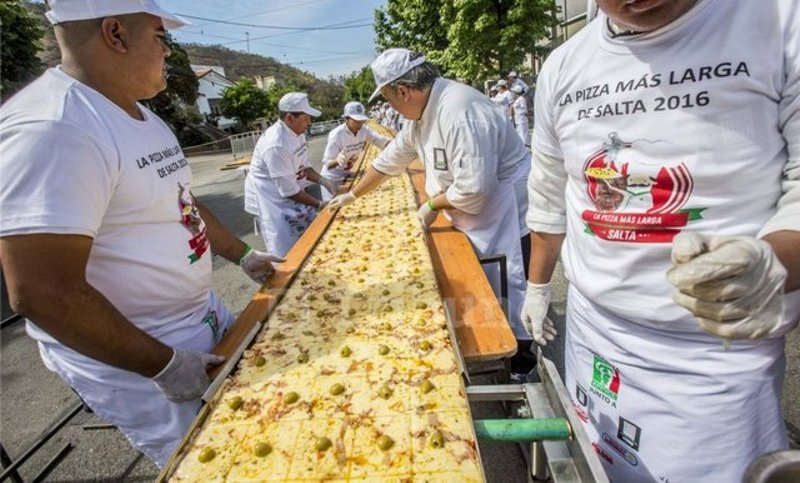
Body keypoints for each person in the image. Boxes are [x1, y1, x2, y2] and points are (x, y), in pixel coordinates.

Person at [523, 0, 800, 481]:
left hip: (711, 353)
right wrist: (538, 287)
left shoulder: (778, 20)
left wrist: (771, 263)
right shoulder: (563, 67)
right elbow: (550, 195)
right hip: (595, 333)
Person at [0, 0, 282, 467]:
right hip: (141, 356)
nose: (168, 49)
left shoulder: (141, 116)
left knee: (267, 427)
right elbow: (42, 291)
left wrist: (243, 255)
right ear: (116, 33)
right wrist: (163, 364)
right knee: (222, 464)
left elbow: (181, 202)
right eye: (159, 34)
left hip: (199, 320)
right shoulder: (52, 127)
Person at [329, 48, 535, 375]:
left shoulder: (459, 110)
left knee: (511, 291)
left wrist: (430, 204)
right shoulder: (422, 114)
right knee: (482, 286)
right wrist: (352, 195)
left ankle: (523, 367)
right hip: (473, 210)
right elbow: (388, 162)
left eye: (389, 99)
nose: (391, 107)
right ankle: (496, 349)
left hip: (506, 213)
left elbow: (475, 189)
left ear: (403, 91)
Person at [243, 92, 336, 257]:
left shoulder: (297, 133)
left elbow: (303, 167)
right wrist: (321, 204)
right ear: (289, 118)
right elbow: (290, 192)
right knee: (286, 249)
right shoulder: (276, 144)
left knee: (310, 239)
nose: (309, 123)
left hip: (291, 191)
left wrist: (324, 180)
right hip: (271, 200)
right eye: (305, 118)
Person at [319, 101, 392, 201]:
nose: (360, 124)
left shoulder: (364, 130)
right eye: (356, 120)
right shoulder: (336, 135)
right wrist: (337, 160)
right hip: (332, 179)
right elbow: (328, 165)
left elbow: (381, 141)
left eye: (362, 120)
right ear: (346, 119)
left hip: (348, 174)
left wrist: (400, 146)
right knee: (332, 206)